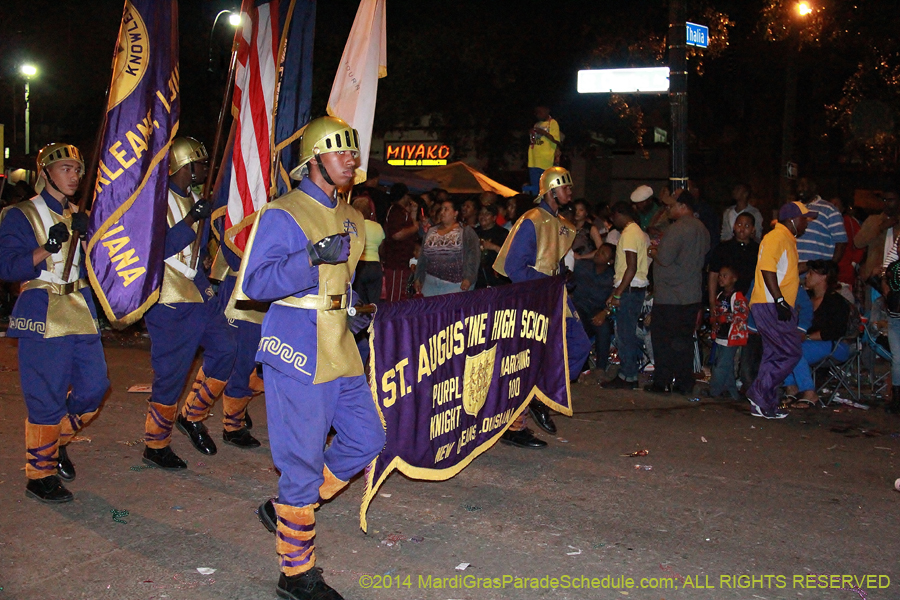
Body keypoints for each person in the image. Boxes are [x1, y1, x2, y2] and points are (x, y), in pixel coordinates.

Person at [236, 116, 384, 600]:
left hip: (340, 342)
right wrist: (311, 258)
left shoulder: (353, 216)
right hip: (297, 343)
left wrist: (352, 308)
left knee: (367, 438)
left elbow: (344, 280)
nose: (351, 160)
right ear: (314, 159)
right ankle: (295, 573)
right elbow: (256, 283)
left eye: (353, 152)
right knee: (300, 461)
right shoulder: (282, 213)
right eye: (341, 151)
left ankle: (287, 507)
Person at [0, 143, 110, 503]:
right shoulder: (20, 214)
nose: (74, 176)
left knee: (95, 386)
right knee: (45, 395)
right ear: (45, 173)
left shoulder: (81, 214)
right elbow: (7, 266)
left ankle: (56, 440)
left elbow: (100, 266)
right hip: (42, 307)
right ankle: (40, 475)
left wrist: (91, 238)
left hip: (79, 306)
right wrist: (46, 248)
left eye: (77, 170)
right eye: (65, 169)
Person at [141, 137, 236, 468]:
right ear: (185, 165)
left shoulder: (196, 198)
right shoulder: (155, 201)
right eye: (201, 163)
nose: (206, 169)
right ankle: (155, 443)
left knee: (227, 347)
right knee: (172, 372)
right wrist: (191, 220)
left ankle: (192, 415)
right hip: (168, 296)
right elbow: (156, 249)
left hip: (198, 290)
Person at [494, 167, 591, 446]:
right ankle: (514, 427)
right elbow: (515, 267)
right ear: (551, 190)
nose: (570, 192)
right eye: (565, 187)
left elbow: (552, 260)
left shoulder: (561, 223)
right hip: (532, 298)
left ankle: (540, 395)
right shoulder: (531, 220)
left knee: (578, 345)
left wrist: (563, 277)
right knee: (526, 360)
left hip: (554, 295)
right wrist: (547, 282)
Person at [746, 201, 818, 419]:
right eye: (804, 219)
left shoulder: (785, 239)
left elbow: (781, 270)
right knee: (790, 352)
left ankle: (764, 404)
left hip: (773, 303)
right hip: (771, 304)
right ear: (793, 220)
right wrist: (779, 300)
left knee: (774, 354)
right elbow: (767, 269)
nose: (806, 224)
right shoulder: (777, 237)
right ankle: (759, 393)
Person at [647, 188, 710, 395]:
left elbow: (665, 259)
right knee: (683, 342)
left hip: (671, 296)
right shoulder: (702, 228)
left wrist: (653, 251)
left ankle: (662, 381)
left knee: (663, 341)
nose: (668, 209)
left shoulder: (677, 228)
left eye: (672, 205)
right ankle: (684, 382)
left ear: (683, 207)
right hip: (691, 294)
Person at [783, 260, 851, 407]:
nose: (806, 276)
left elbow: (835, 331)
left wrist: (806, 336)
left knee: (794, 349)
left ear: (823, 277)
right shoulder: (805, 298)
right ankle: (791, 388)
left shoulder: (836, 301)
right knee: (785, 346)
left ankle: (809, 392)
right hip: (810, 343)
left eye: (811, 273)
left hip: (835, 344)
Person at [603, 201, 651, 389]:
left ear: (619, 214)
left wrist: (618, 294)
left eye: (613, 217)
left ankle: (627, 375)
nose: (613, 221)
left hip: (629, 290)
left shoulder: (630, 233)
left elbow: (631, 267)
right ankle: (629, 375)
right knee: (626, 333)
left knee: (624, 334)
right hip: (633, 289)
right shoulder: (637, 231)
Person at [413, 198, 479, 296]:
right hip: (430, 282)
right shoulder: (431, 231)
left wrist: (468, 278)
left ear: (455, 213)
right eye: (441, 209)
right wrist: (418, 277)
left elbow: (473, 256)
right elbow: (423, 257)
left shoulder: (465, 231)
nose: (442, 212)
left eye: (446, 209)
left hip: (455, 284)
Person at [571, 243, 616, 375]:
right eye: (599, 251)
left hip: (597, 309)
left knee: (603, 326)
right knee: (577, 320)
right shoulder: (582, 267)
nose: (598, 254)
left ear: (610, 261)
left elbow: (616, 301)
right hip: (579, 306)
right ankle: (582, 367)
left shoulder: (612, 277)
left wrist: (605, 313)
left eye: (603, 253)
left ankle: (600, 368)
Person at [708, 266, 749, 400]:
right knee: (727, 366)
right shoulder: (720, 295)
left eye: (725, 276)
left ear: (734, 279)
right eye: (720, 275)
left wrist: (724, 318)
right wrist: (714, 320)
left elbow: (742, 314)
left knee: (721, 366)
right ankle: (733, 393)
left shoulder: (737, 296)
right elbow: (717, 312)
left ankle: (714, 391)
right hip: (721, 336)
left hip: (731, 338)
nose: (721, 278)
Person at [708, 213, 759, 312]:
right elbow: (713, 275)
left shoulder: (757, 249)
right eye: (739, 224)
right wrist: (712, 302)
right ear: (734, 226)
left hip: (750, 300)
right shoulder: (723, 248)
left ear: (753, 229)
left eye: (746, 226)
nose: (742, 229)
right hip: (725, 300)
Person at [795, 178, 847, 268]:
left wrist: (829, 267)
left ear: (813, 187)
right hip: (793, 270)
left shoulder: (829, 209)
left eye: (803, 185)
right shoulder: (793, 208)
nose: (800, 189)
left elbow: (841, 242)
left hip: (817, 271)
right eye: (798, 186)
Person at [381, 183, 419, 302]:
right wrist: (414, 228)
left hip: (402, 262)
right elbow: (397, 234)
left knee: (400, 295)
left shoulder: (402, 212)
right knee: (395, 297)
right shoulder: (396, 211)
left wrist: (414, 213)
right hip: (396, 262)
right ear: (404, 196)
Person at [352, 196, 385, 305]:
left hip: (359, 266)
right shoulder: (378, 227)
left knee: (358, 303)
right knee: (373, 304)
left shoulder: (354, 226)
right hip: (375, 266)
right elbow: (382, 250)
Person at [524, 105, 561, 195]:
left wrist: (543, 133)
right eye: (537, 112)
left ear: (547, 110)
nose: (538, 114)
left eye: (540, 111)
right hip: (533, 160)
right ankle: (534, 199)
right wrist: (531, 133)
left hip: (546, 161)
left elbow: (556, 140)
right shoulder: (537, 124)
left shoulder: (552, 123)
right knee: (535, 188)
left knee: (545, 187)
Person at [828, 195, 862, 290]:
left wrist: (853, 264)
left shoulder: (851, 223)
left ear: (843, 208)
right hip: (828, 272)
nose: (833, 208)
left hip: (845, 273)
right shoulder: (825, 221)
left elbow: (861, 245)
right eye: (830, 205)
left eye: (836, 205)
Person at [474, 204, 509, 289]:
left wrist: (493, 247)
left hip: (497, 278)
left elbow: (509, 255)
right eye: (481, 213)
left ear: (494, 217)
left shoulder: (502, 233)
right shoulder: (474, 232)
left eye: (487, 214)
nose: (483, 216)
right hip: (477, 278)